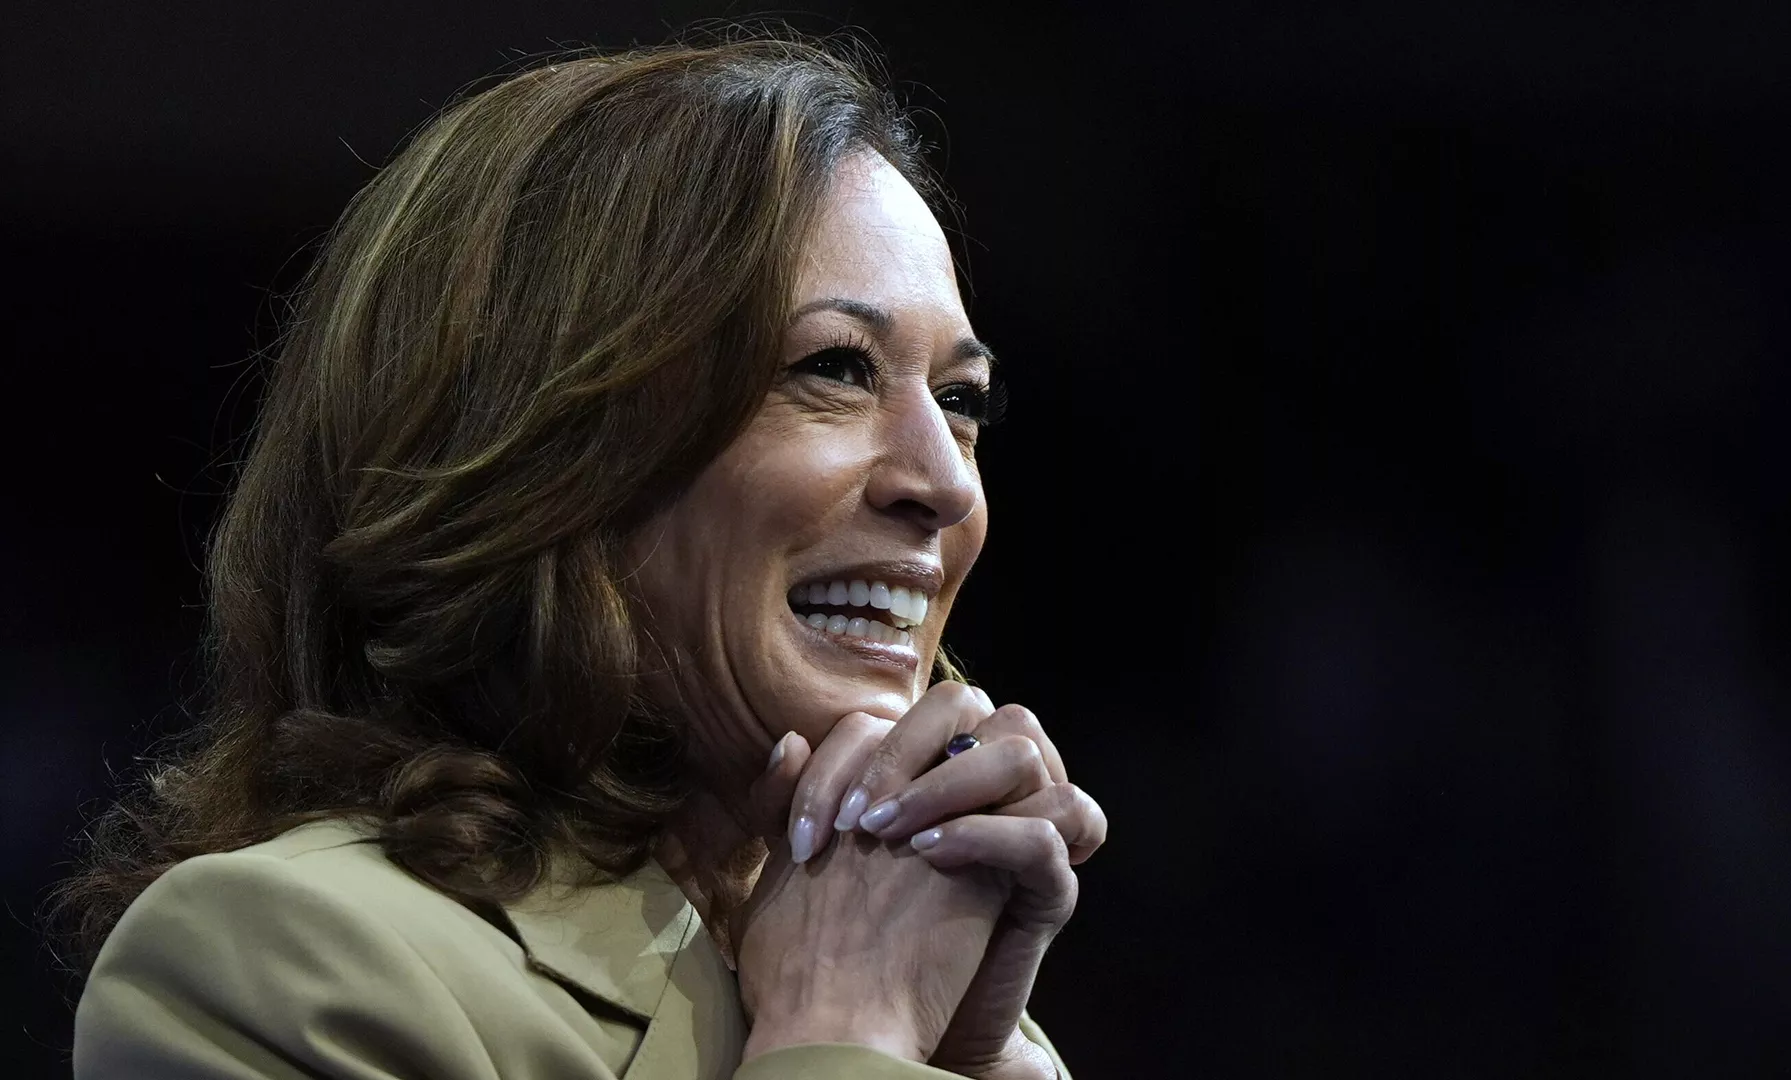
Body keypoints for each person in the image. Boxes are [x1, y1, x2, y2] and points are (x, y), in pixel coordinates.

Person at [56, 37, 1106, 1080]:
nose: (946, 483)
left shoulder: (950, 1008)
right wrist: (846, 1035)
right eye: (832, 368)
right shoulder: (273, 966)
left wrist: (978, 1061)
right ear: (545, 445)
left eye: (960, 401)